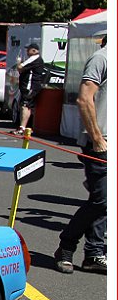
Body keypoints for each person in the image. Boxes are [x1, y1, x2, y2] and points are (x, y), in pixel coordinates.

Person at [55, 30, 107, 274]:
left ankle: (94, 254)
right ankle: (66, 245)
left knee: (104, 202)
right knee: (102, 200)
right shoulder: (102, 58)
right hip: (100, 141)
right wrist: (97, 138)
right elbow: (84, 99)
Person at [13, 42, 47, 135]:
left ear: (34, 50)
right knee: (26, 106)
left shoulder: (34, 58)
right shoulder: (34, 59)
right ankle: (24, 127)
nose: (27, 51)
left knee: (25, 105)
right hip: (29, 86)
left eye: (28, 50)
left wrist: (18, 62)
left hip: (30, 86)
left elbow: (20, 67)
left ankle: (22, 127)